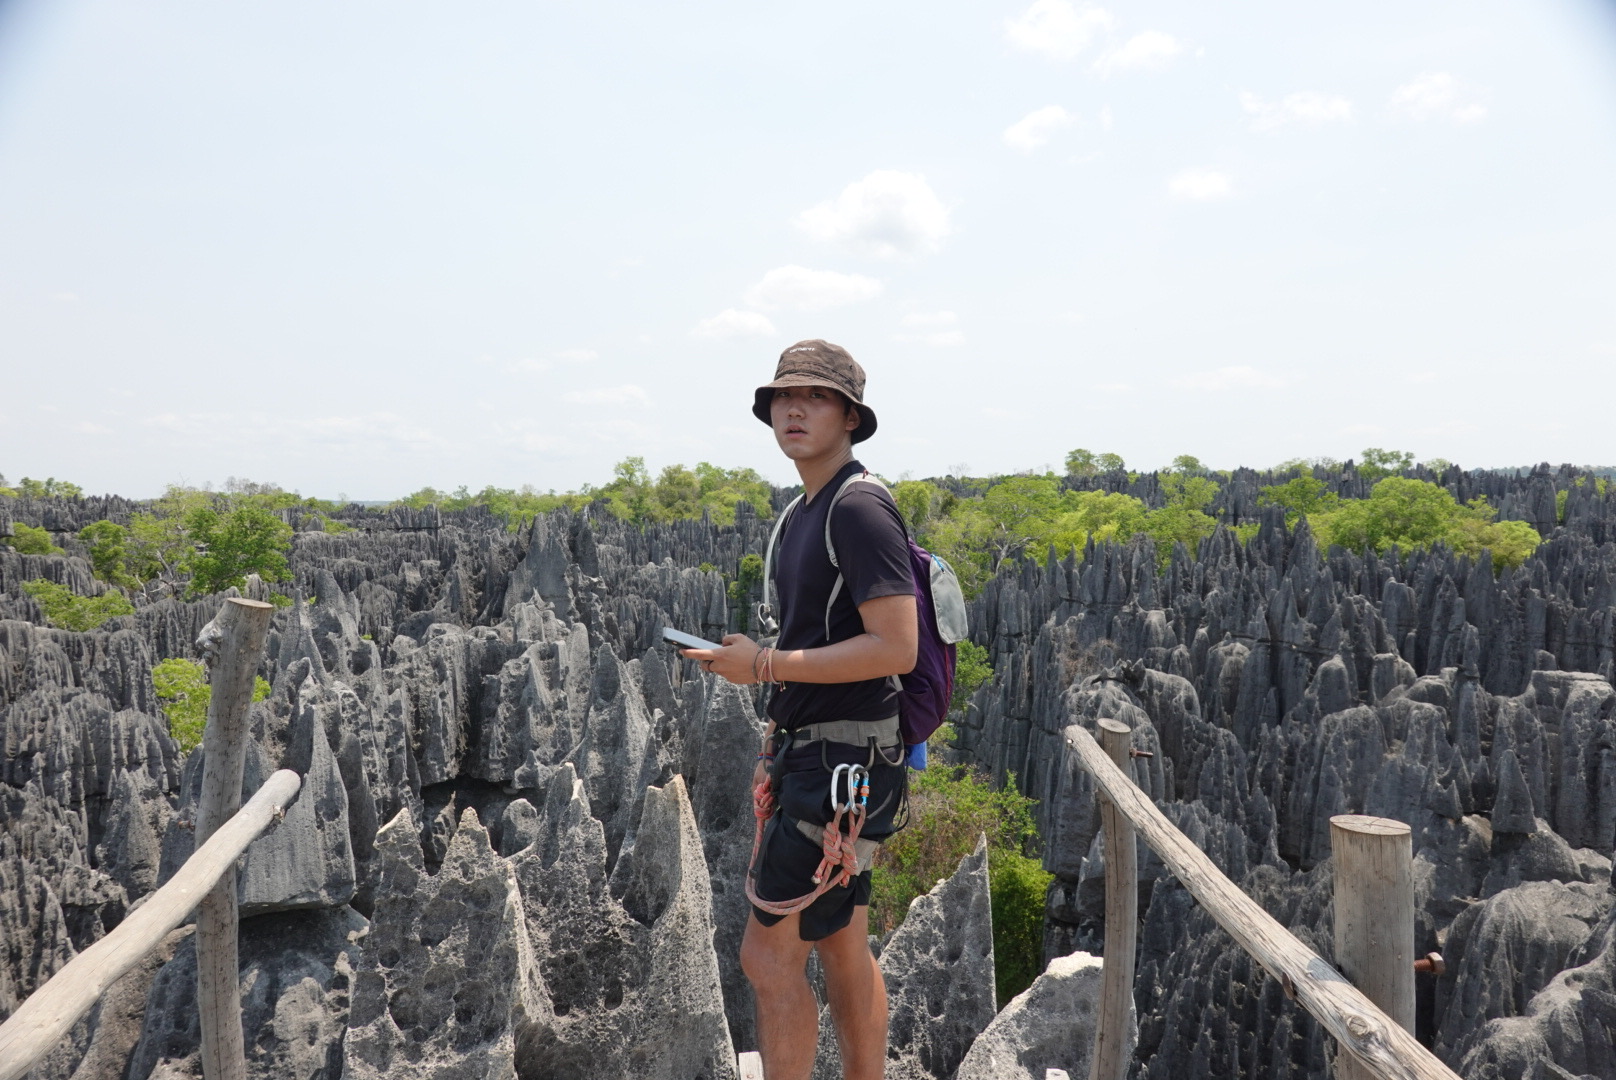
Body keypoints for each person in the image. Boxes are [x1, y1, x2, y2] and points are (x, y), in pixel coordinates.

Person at [682, 339, 917, 1080]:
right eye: (784, 397)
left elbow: (896, 646)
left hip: (844, 765)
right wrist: (760, 668)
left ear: (850, 415)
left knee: (766, 956)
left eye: (814, 397)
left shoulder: (859, 508)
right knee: (843, 941)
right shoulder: (803, 513)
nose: (794, 408)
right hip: (820, 754)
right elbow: (818, 636)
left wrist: (763, 665)